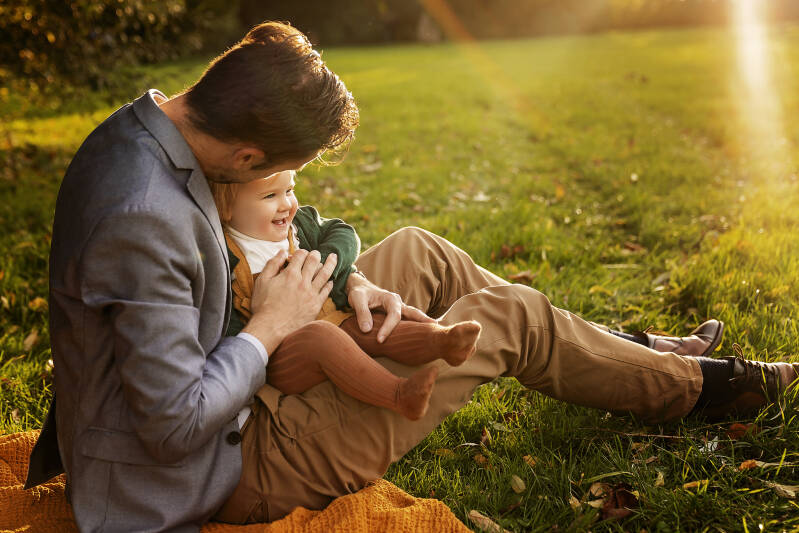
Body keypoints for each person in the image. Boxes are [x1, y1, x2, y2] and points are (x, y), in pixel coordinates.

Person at [25, 21, 799, 532]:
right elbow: (170, 426)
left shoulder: (155, 130)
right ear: (246, 159)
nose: (295, 187)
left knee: (419, 250)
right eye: (287, 171)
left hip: (252, 384)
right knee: (510, 316)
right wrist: (272, 324)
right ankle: (715, 384)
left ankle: (646, 352)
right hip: (223, 464)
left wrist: (346, 281)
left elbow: (242, 246)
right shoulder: (140, 215)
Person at [209, 169, 482, 421]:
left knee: (371, 323)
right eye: (270, 195)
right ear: (226, 206)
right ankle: (399, 394)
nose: (287, 204)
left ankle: (443, 340)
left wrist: (325, 265)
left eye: (289, 190)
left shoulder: (300, 224)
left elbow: (344, 233)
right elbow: (225, 328)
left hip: (335, 319)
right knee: (321, 337)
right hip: (283, 358)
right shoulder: (226, 257)